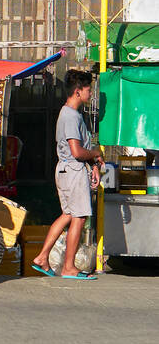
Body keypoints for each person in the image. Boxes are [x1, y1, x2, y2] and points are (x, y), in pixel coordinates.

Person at [30, 68, 105, 279]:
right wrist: (95, 153)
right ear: (78, 91)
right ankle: (69, 268)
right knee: (78, 218)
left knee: (68, 215)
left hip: (67, 169)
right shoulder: (71, 116)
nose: (91, 94)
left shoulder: (72, 114)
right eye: (89, 89)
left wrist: (94, 162)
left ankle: (42, 258)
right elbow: (77, 151)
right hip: (72, 169)